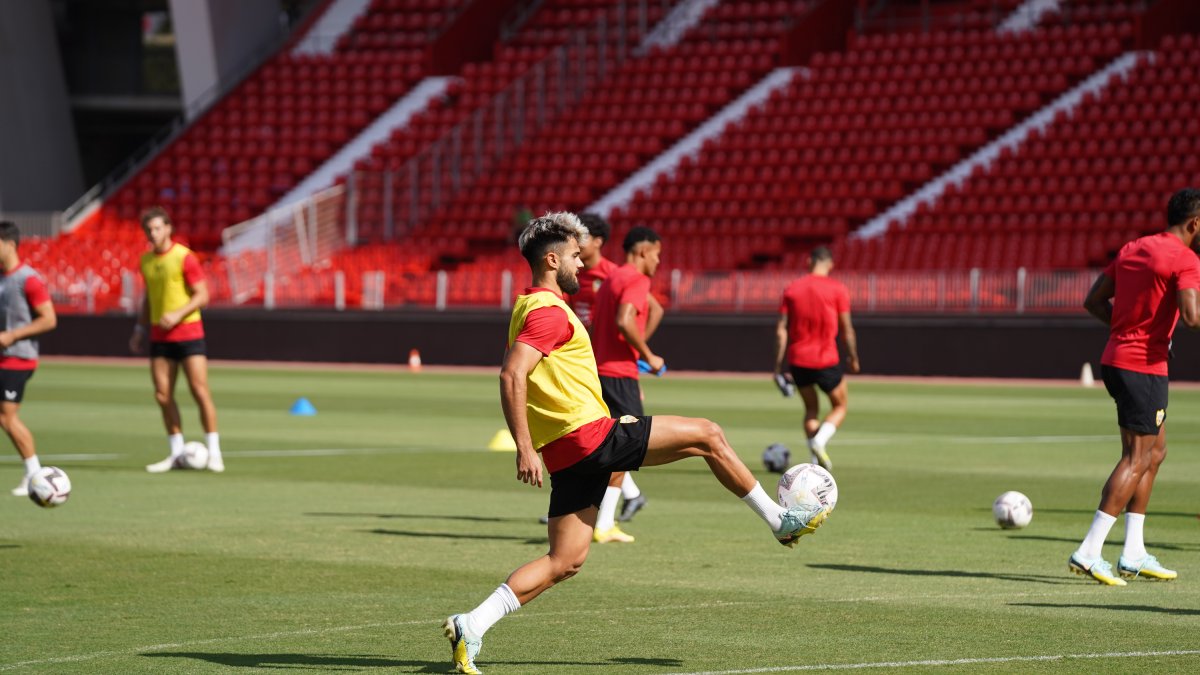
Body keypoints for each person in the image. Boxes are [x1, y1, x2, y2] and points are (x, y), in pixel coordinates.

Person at [443, 212, 827, 674]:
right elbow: (511, 373)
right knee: (708, 434)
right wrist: (523, 446)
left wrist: (535, 444)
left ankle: (473, 624)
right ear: (550, 259)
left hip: (568, 452)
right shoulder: (547, 311)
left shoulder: (527, 305)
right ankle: (780, 521)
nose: (581, 264)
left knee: (565, 561)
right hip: (589, 438)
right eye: (573, 256)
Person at [1072, 187, 1200, 585]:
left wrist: (1128, 331)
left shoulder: (1133, 248)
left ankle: (1133, 552)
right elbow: (1192, 317)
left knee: (1155, 451)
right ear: (1195, 224)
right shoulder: (1186, 258)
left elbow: (1094, 301)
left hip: (1118, 359)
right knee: (1136, 458)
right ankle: (1089, 551)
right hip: (1144, 366)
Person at [129, 207, 224, 473]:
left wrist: (179, 313)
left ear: (168, 228)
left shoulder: (184, 257)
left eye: (158, 228)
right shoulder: (146, 260)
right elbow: (148, 297)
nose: (153, 233)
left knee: (199, 390)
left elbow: (202, 295)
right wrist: (139, 328)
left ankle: (215, 452)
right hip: (160, 335)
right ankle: (176, 452)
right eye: (149, 229)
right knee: (162, 394)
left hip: (189, 333)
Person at [569, 213, 650, 524]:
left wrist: (637, 350)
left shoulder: (614, 274)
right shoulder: (570, 274)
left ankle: (601, 512)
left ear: (599, 241)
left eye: (582, 238)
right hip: (583, 362)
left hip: (609, 364)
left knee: (617, 436)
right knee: (593, 433)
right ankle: (622, 499)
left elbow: (647, 310)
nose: (576, 244)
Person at [587, 226, 666, 542]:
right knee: (625, 447)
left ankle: (594, 517)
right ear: (644, 251)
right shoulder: (636, 279)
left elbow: (603, 323)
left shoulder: (610, 279)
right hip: (619, 377)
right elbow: (624, 319)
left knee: (604, 445)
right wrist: (648, 353)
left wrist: (636, 351)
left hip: (601, 372)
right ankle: (604, 524)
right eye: (658, 254)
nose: (658, 261)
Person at [773, 246, 860, 470]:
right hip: (826, 359)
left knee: (811, 410)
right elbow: (847, 329)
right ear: (830, 264)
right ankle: (820, 442)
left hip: (799, 360)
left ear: (808, 261)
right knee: (840, 406)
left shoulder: (792, 289)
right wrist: (853, 357)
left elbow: (781, 330)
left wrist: (777, 367)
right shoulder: (838, 289)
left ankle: (814, 461)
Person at [0, 223, 58, 497]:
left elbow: (49, 318)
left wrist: (13, 335)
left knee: (7, 416)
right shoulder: (2, 278)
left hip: (17, 358)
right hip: (3, 356)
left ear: (10, 244)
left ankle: (35, 475)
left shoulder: (28, 279)